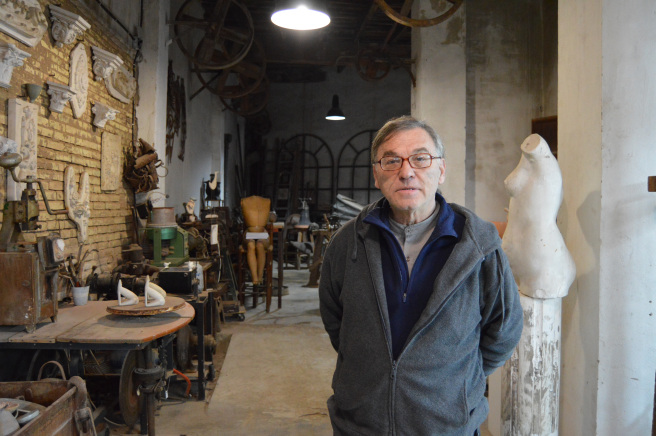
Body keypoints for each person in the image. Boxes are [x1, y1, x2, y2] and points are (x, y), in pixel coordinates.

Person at [319, 115, 523, 435]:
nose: (406, 172)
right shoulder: (347, 243)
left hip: (446, 426)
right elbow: (336, 323)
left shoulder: (478, 246)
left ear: (441, 170)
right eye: (391, 161)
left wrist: (453, 385)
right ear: (376, 175)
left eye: (420, 158)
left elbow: (504, 329)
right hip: (360, 424)